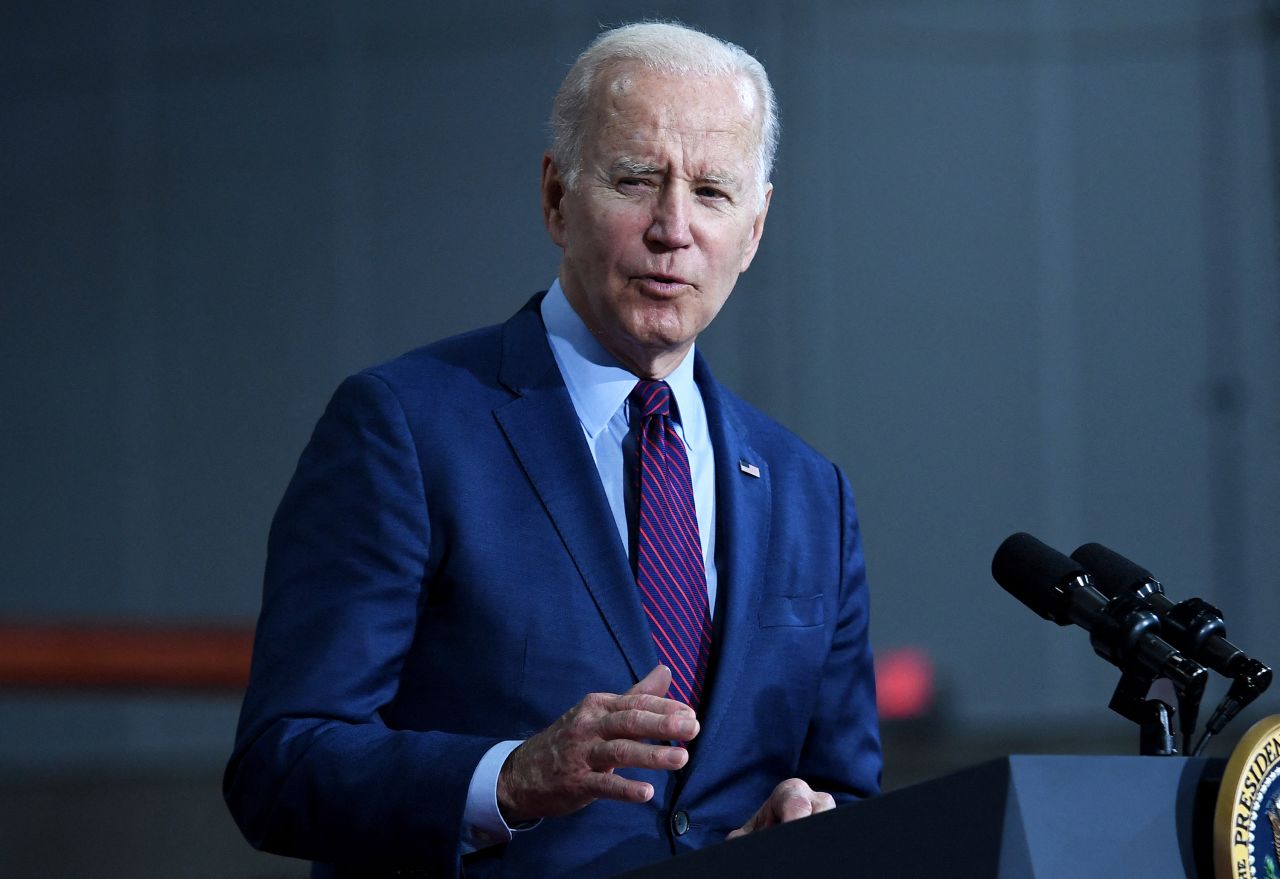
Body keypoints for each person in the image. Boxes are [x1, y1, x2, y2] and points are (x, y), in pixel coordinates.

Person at [225, 20, 881, 879]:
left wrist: (807, 827)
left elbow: (847, 793)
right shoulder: (404, 427)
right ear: (556, 198)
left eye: (713, 192)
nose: (673, 228)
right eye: (637, 179)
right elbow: (283, 761)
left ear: (753, 230)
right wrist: (507, 778)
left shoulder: (809, 495)